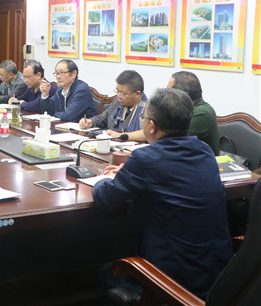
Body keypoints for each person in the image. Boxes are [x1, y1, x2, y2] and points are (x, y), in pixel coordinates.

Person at [93, 88, 232, 297]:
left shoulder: (145, 159)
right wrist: (129, 173)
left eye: (143, 117)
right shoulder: (204, 150)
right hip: (218, 274)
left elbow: (105, 199)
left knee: (106, 272)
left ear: (151, 125)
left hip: (171, 279)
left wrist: (104, 180)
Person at [78, 70, 147, 141]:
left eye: (123, 93)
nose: (119, 96)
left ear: (137, 94)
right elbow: (103, 118)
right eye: (118, 91)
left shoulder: (147, 109)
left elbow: (147, 134)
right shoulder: (117, 101)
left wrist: (120, 136)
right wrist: (91, 122)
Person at [167, 71, 219, 155]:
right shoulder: (183, 109)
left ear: (182, 94)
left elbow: (175, 145)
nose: (166, 95)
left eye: (169, 91)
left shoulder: (201, 113)